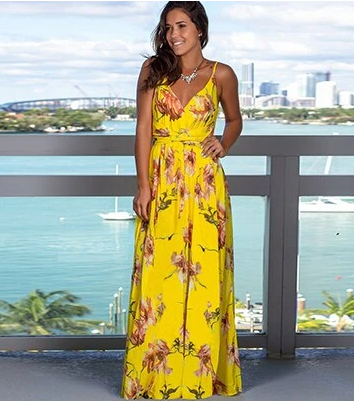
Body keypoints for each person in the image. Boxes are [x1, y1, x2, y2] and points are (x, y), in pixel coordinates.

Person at [121, 1, 242, 399]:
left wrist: (223, 142)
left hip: (206, 185)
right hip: (162, 180)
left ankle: (203, 376)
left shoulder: (221, 74)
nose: (174, 34)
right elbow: (143, 130)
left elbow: (235, 119)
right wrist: (143, 186)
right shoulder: (152, 70)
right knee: (159, 278)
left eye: (182, 25)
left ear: (200, 29)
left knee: (206, 277)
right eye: (168, 27)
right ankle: (155, 376)